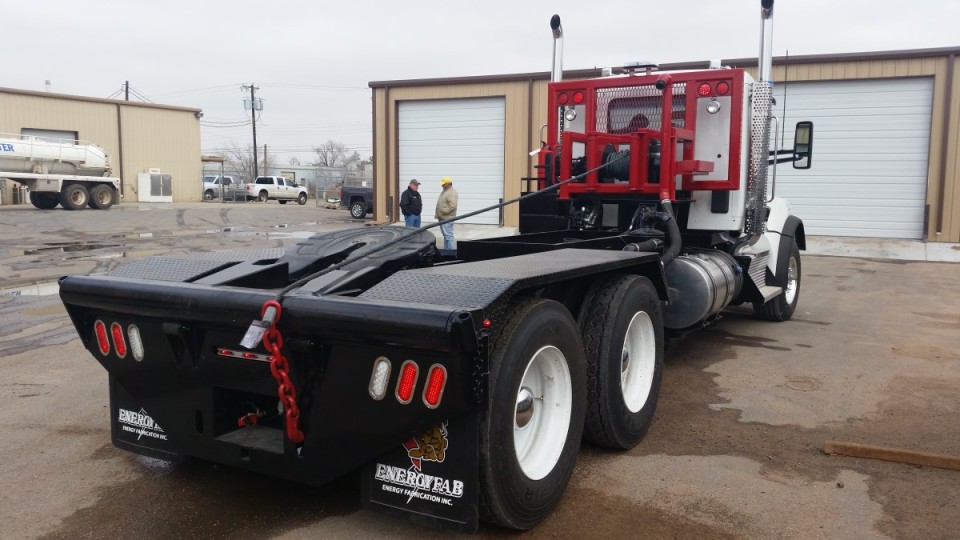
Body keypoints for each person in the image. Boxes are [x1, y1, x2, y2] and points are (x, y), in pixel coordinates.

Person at [435, 176, 458, 250]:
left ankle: (451, 251)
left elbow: (452, 206)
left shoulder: (451, 193)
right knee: (446, 235)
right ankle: (447, 251)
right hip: (443, 217)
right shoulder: (446, 190)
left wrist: (443, 211)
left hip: (447, 218)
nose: (442, 185)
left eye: (443, 184)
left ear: (448, 183)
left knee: (448, 235)